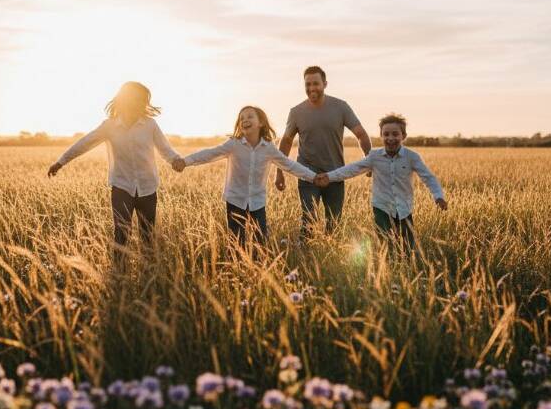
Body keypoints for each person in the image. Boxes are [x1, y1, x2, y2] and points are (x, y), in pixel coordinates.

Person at [47, 82, 184, 265]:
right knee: (121, 233)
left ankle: (150, 274)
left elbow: (165, 149)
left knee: (148, 235)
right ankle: (119, 275)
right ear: (125, 100)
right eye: (136, 99)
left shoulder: (150, 125)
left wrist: (176, 160)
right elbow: (84, 143)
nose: (140, 104)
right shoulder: (109, 126)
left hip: (147, 188)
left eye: (143, 100)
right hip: (122, 188)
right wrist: (61, 162)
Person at [176, 106, 317, 248]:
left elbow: (289, 165)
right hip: (235, 200)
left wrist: (313, 177)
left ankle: (258, 267)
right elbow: (209, 153)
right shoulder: (234, 144)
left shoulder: (268, 148)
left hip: (257, 202)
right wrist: (185, 161)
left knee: (260, 243)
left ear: (260, 122)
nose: (245, 120)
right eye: (241, 118)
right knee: (236, 243)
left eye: (250, 117)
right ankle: (236, 267)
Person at [315, 113, 447, 249]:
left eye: (395, 134)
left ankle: (405, 267)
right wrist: (328, 177)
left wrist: (438, 196)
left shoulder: (412, 157)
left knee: (408, 247)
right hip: (382, 208)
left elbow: (428, 177)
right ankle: (387, 266)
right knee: (386, 245)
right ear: (381, 136)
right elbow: (352, 169)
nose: (390, 138)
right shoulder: (374, 156)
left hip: (404, 209)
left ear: (403, 136)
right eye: (386, 134)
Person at [276, 66, 372, 238]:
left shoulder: (341, 107)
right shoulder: (296, 112)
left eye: (316, 84)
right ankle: (307, 260)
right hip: (307, 175)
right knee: (308, 222)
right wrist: (279, 172)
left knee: (334, 225)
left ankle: (330, 261)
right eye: (308, 84)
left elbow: (361, 134)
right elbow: (286, 141)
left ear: (325, 84)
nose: (312, 88)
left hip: (335, 174)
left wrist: (369, 160)